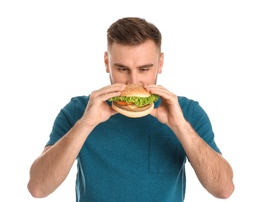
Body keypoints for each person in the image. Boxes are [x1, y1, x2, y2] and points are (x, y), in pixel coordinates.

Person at [27, 17, 235, 201]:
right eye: (122, 69)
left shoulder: (186, 112)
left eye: (145, 69)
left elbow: (224, 189)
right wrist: (85, 125)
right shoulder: (78, 110)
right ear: (107, 63)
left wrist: (179, 126)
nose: (133, 81)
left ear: (160, 63)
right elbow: (38, 188)